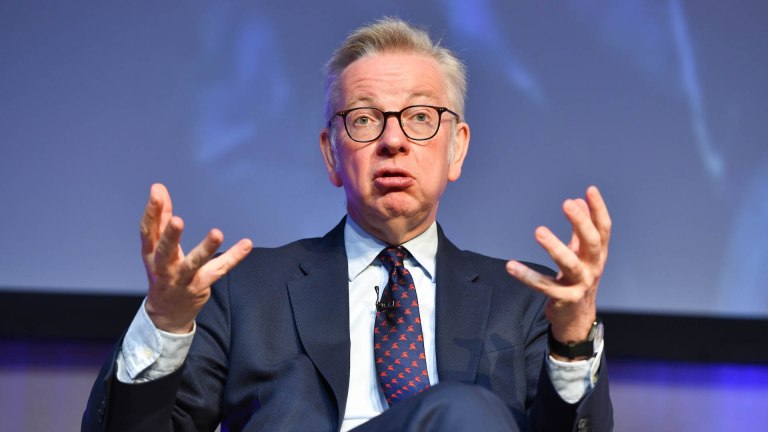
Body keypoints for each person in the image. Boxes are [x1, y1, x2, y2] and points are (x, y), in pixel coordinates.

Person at [83, 17, 613, 431]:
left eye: (421, 117)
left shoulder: (523, 303)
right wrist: (166, 321)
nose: (393, 140)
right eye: (363, 119)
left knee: (461, 413)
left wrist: (571, 342)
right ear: (332, 155)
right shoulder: (243, 292)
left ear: (458, 149)